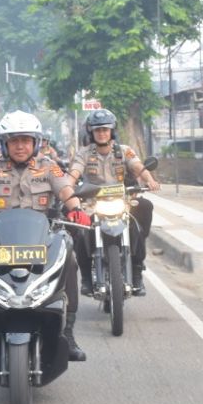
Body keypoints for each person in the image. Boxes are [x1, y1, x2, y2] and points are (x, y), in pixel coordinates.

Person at [0, 110, 90, 363]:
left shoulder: (50, 167)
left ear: (35, 143)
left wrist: (77, 210)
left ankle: (68, 334)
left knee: (69, 261)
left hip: (41, 239)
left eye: (25, 140)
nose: (20, 146)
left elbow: (66, 191)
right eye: (14, 141)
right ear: (4, 144)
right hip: (1, 240)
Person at [68, 108, 160, 296]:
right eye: (97, 130)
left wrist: (149, 180)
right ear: (91, 132)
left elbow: (138, 167)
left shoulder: (124, 151)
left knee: (141, 216)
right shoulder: (84, 153)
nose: (102, 133)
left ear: (112, 131)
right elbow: (74, 173)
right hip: (92, 203)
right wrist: (68, 189)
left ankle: (136, 271)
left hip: (121, 201)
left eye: (105, 129)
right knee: (79, 231)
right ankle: (85, 277)